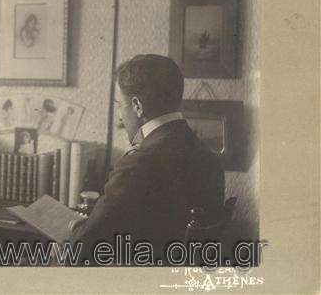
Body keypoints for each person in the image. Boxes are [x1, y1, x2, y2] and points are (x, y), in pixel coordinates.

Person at [69, 54, 225, 265]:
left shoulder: (139, 162)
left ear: (137, 106)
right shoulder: (208, 156)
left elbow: (85, 245)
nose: (120, 117)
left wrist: (73, 227)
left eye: (119, 106)